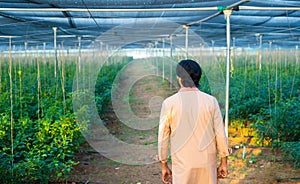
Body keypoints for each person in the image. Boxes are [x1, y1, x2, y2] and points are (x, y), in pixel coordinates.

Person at [158, 59, 230, 184]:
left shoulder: (169, 103)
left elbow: (163, 137)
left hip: (182, 164)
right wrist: (224, 162)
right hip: (207, 163)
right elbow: (220, 134)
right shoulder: (211, 101)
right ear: (198, 77)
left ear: (179, 77)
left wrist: (163, 164)